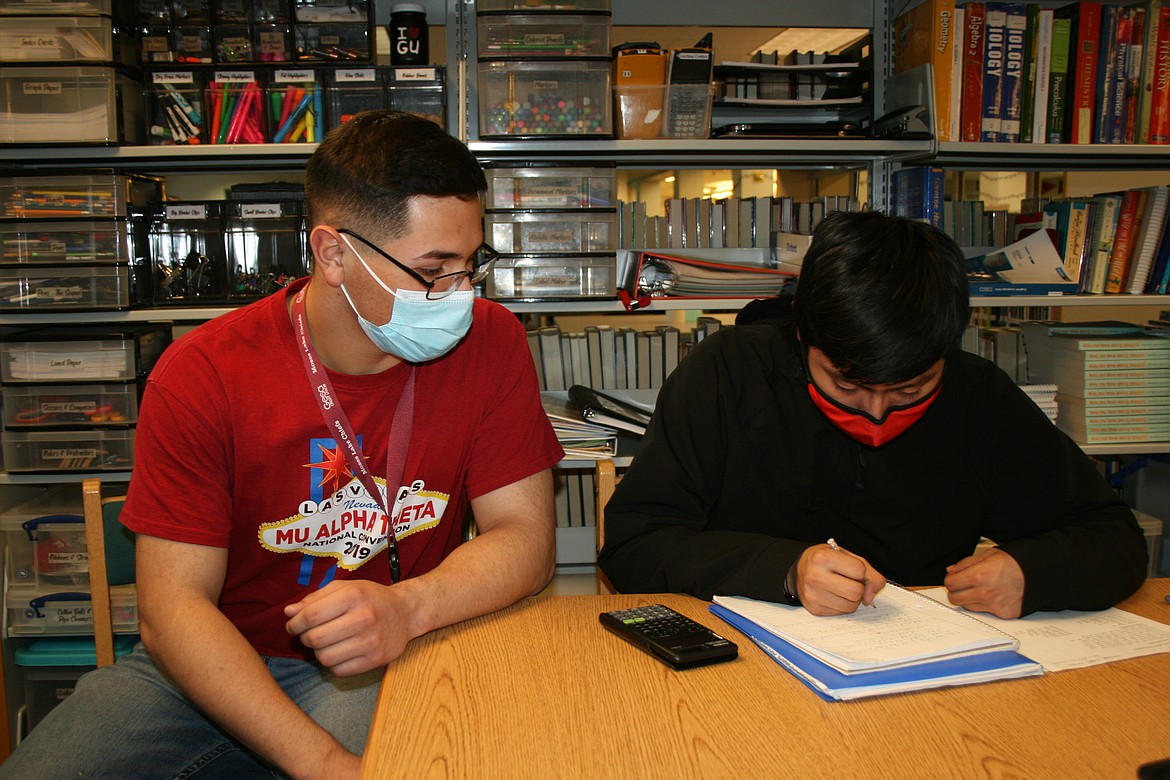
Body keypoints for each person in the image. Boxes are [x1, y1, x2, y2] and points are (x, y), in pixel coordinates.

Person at [2, 110, 564, 779]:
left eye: (471, 263)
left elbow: (526, 541)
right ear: (333, 253)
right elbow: (172, 608)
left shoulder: (492, 341)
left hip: (393, 641)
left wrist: (408, 607)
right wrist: (319, 761)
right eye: (432, 269)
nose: (460, 294)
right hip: (211, 658)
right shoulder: (204, 371)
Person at [598, 209, 1147, 620]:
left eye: (911, 389)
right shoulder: (727, 374)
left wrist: (1037, 573)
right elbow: (633, 546)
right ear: (801, 334)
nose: (879, 414)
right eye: (847, 384)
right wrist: (782, 569)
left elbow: (1113, 536)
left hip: (925, 667)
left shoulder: (978, 396)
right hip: (741, 659)